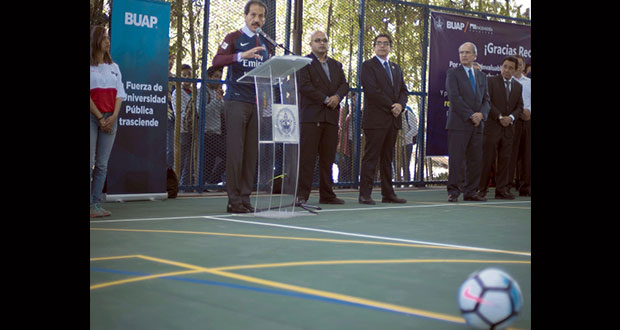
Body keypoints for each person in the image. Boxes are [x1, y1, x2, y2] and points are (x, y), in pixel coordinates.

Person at [212, 0, 271, 213]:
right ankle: (233, 200)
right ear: (245, 16)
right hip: (236, 101)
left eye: (261, 16)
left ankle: (246, 199)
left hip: (257, 103)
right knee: (236, 152)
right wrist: (240, 56)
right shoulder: (233, 37)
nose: (257, 19)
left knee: (250, 154)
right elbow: (216, 61)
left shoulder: (265, 42)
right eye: (253, 15)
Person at [295, 31, 349, 205]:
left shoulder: (336, 65)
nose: (321, 43)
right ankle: (302, 194)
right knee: (307, 158)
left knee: (327, 159)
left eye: (324, 40)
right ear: (310, 44)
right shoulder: (304, 63)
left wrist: (337, 97)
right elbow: (304, 86)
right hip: (311, 117)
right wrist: (326, 99)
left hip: (331, 118)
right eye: (317, 40)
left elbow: (344, 85)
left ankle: (327, 194)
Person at [358, 33, 408, 205]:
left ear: (390, 47)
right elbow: (372, 91)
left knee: (388, 158)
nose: (382, 46)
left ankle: (389, 193)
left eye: (386, 43)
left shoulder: (396, 68)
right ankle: (365, 194)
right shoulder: (368, 66)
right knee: (371, 157)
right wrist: (392, 106)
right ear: (374, 47)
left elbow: (403, 90)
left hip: (393, 120)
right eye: (379, 43)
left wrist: (400, 105)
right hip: (375, 120)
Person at [445, 42, 490, 202]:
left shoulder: (482, 76)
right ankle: (454, 192)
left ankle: (471, 192)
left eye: (467, 52)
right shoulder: (453, 73)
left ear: (475, 56)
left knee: (475, 160)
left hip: (478, 125)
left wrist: (481, 115)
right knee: (457, 160)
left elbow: (487, 100)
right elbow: (454, 98)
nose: (463, 55)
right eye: (461, 52)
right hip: (459, 124)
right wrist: (471, 115)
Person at [90, 25, 127, 217]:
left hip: (111, 118)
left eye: (108, 38)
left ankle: (95, 205)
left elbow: (120, 94)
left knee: (102, 164)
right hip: (92, 118)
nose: (108, 41)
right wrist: (99, 117)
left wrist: (112, 117)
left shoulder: (115, 67)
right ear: (95, 40)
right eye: (104, 37)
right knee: (90, 162)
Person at [478, 56, 523, 199]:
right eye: (505, 66)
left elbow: (519, 106)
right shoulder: (490, 81)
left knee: (505, 160)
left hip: (509, 129)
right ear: (501, 67)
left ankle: (501, 190)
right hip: (492, 127)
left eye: (510, 68)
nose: (507, 70)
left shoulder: (518, 86)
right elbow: (487, 102)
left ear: (516, 70)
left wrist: (511, 118)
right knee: (488, 159)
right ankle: (481, 189)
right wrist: (500, 117)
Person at [197, 66, 227, 187]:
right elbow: (201, 112)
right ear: (208, 77)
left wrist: (221, 99)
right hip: (207, 133)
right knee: (229, 155)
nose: (218, 80)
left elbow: (222, 110)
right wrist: (216, 101)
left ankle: (205, 185)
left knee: (208, 164)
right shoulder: (202, 92)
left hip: (217, 132)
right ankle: (212, 181)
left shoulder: (216, 93)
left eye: (220, 77)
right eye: (215, 77)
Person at [508, 55, 531, 196]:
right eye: (515, 64)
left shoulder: (529, 82)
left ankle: (525, 187)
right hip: (512, 121)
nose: (518, 66)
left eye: (521, 63)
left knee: (527, 155)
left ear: (523, 66)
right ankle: (506, 186)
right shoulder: (507, 82)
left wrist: (529, 112)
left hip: (528, 121)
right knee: (510, 155)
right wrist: (518, 113)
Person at [171, 64, 195, 187]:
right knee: (180, 158)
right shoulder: (177, 93)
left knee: (190, 160)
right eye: (184, 75)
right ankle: (175, 184)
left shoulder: (194, 92)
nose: (186, 78)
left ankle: (186, 184)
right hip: (182, 129)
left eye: (189, 75)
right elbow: (178, 112)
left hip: (193, 130)